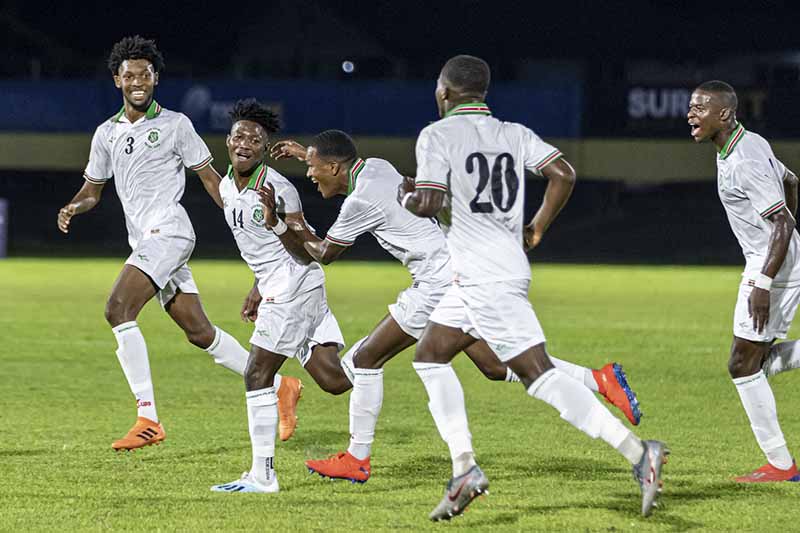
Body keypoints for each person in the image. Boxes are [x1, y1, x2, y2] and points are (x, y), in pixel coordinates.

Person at [267, 130, 642, 484]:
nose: (310, 176)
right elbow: (382, 178)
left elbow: (322, 254)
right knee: (495, 366)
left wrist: (285, 223)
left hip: (435, 283)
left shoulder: (359, 202)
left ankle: (357, 458)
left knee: (362, 362)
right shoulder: (377, 165)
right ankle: (599, 379)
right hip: (460, 270)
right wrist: (308, 154)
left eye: (313, 169)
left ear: (334, 167)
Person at [398, 55, 669, 520]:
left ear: (443, 92)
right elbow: (563, 173)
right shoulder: (514, 133)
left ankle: (639, 452)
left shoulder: (436, 134)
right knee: (430, 353)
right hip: (488, 270)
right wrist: (537, 226)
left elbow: (429, 202)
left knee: (538, 376)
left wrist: (406, 194)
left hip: (486, 276)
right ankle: (464, 468)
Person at [56, 37, 301, 451]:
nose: (138, 81)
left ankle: (147, 418)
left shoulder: (175, 124)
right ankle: (281, 386)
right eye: (129, 75)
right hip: (145, 242)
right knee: (199, 332)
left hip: (169, 231)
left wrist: (244, 223)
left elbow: (209, 178)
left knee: (118, 309)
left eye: (145, 74)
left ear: (155, 79)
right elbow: (92, 189)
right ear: (117, 80)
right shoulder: (106, 133)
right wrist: (72, 207)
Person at [210, 99, 353, 494]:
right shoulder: (226, 186)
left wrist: (274, 221)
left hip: (293, 288)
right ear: (228, 141)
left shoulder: (278, 188)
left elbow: (304, 247)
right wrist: (257, 287)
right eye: (240, 136)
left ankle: (263, 475)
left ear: (263, 147)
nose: (245, 143)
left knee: (257, 374)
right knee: (335, 380)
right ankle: (373, 361)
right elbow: (260, 252)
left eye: (255, 139)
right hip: (283, 287)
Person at [688, 80, 800, 482]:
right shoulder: (746, 143)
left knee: (742, 364)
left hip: (771, 264)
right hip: (778, 258)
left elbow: (782, 219)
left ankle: (781, 466)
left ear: (725, 113)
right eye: (691, 107)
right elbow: (791, 181)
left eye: (700, 108)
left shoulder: (743, 160)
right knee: (754, 360)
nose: (690, 115)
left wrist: (765, 282)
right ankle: (781, 465)